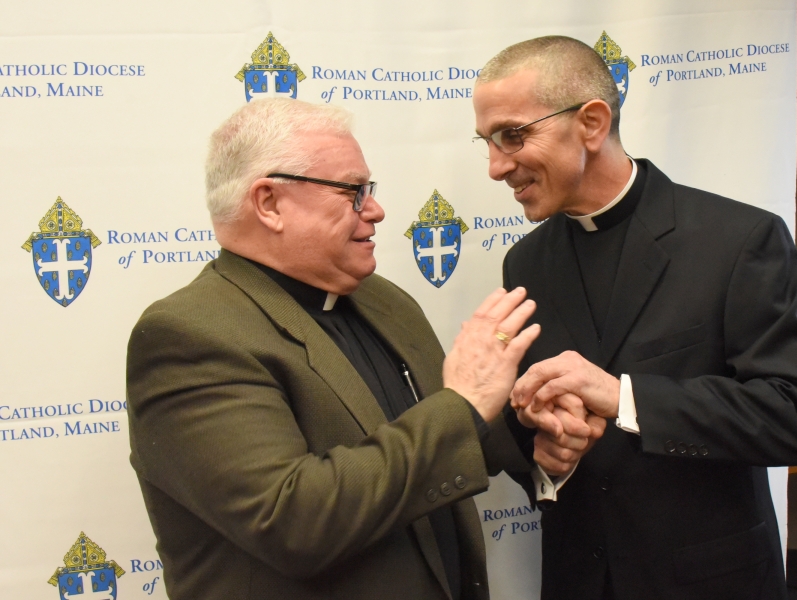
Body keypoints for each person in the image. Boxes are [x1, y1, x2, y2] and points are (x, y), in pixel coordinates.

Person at [471, 36, 797, 600]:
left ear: (592, 123)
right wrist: (541, 455)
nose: (497, 166)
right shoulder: (526, 260)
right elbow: (537, 429)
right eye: (488, 143)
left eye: (513, 135)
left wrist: (625, 397)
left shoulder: (738, 240)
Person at [125, 97, 538, 600]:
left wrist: (531, 425)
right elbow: (295, 521)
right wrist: (466, 403)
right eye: (353, 191)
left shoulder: (383, 300)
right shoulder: (190, 334)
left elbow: (450, 438)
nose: (377, 210)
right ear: (269, 203)